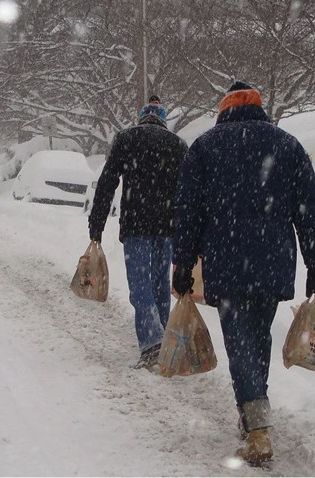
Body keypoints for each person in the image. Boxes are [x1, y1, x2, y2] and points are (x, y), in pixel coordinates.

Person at [171, 81, 315, 464]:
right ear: (259, 108)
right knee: (256, 338)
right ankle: (252, 411)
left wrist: (183, 262)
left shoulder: (206, 146)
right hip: (273, 261)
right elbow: (309, 208)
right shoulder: (287, 145)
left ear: (225, 109)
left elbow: (188, 211)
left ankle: (258, 429)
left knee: (241, 341)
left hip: (227, 260)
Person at [89, 98, 189, 369]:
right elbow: (189, 193)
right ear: (163, 120)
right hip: (166, 227)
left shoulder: (127, 139)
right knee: (159, 284)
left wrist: (96, 224)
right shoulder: (178, 145)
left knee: (140, 284)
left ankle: (152, 343)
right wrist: (189, 231)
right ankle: (164, 343)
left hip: (136, 225)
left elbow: (107, 182)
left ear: (142, 117)